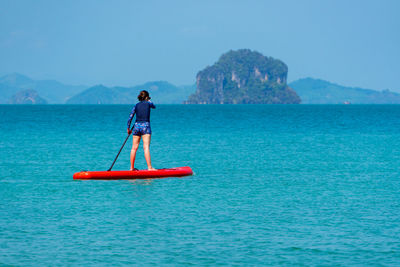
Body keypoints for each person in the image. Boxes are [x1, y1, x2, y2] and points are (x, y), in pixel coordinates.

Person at [127, 90, 156, 171]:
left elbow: (130, 117)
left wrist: (128, 128)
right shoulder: (148, 103)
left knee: (134, 148)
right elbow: (154, 106)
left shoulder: (136, 105)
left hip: (136, 126)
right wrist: (149, 100)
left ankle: (131, 168)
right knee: (146, 147)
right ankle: (149, 167)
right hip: (145, 126)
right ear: (146, 97)